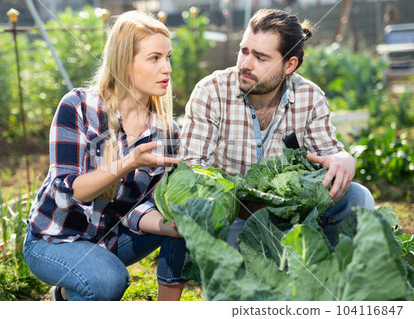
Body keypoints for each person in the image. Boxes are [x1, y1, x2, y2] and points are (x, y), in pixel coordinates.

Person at [23, 11, 187, 301]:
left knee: (185, 216)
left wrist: (172, 227)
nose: (167, 68)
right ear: (125, 63)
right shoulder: (78, 107)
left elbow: (138, 208)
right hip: (56, 238)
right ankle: (70, 292)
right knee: (108, 281)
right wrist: (129, 162)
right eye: (154, 58)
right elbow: (66, 193)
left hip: (109, 238)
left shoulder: (166, 132)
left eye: (168, 57)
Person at [179, 8, 375, 249]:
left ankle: (336, 277)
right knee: (242, 275)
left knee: (358, 197)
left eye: (260, 58)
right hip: (229, 219)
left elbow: (329, 155)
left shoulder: (309, 96)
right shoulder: (211, 91)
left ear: (290, 65)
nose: (246, 64)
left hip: (292, 221)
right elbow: (191, 169)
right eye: (244, 51)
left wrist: (344, 158)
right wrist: (248, 204)